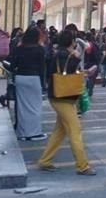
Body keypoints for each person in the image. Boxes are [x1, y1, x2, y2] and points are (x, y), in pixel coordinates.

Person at [38, 30, 96, 175]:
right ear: (71, 42)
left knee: (60, 131)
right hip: (64, 98)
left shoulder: (55, 54)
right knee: (75, 130)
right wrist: (84, 69)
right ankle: (83, 166)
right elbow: (74, 74)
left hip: (56, 95)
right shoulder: (70, 57)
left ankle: (45, 161)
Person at [11, 26, 47, 141]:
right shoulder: (40, 49)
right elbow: (42, 68)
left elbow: (13, 65)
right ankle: (34, 132)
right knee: (35, 106)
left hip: (20, 77)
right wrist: (43, 84)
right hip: (33, 78)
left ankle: (22, 133)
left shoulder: (19, 48)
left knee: (22, 107)